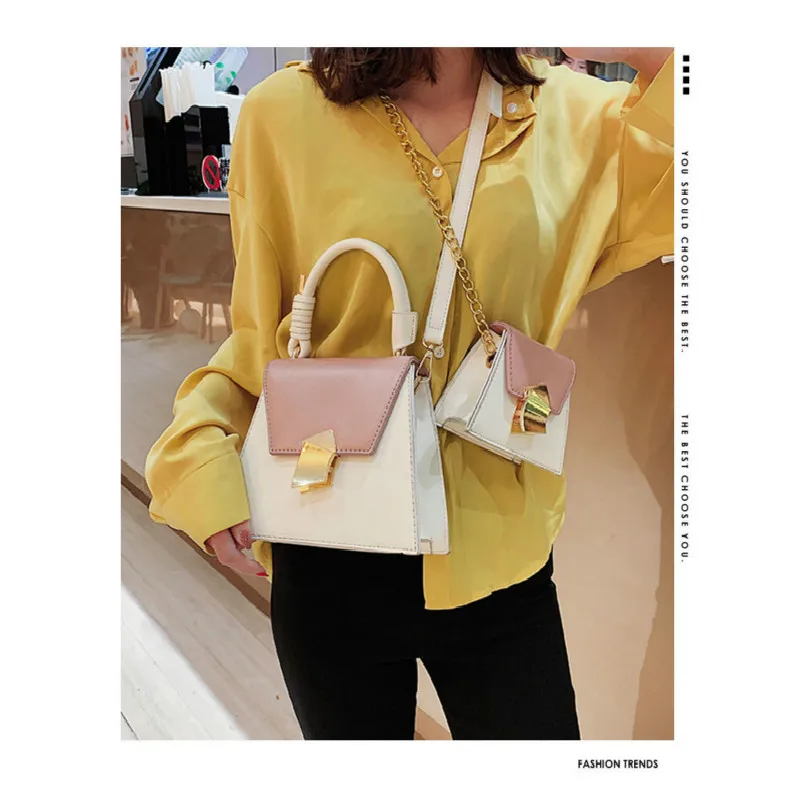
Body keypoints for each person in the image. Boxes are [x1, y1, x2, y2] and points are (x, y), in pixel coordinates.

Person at [145, 47, 674, 740]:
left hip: (501, 559)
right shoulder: (284, 114)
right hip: (329, 539)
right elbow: (261, 341)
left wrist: (640, 42)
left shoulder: (579, 119)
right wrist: (201, 459)